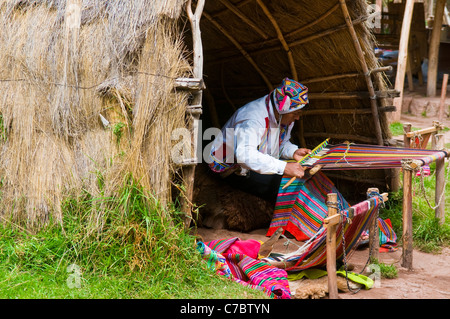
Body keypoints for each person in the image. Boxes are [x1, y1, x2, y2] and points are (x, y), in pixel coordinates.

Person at [207, 78, 311, 203]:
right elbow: (244, 156)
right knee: (284, 188)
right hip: (232, 167)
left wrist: (293, 152)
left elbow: (279, 144)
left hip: (254, 160)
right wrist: (284, 167)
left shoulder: (284, 118)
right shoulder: (253, 118)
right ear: (283, 110)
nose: (298, 117)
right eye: (295, 113)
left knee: (303, 178)